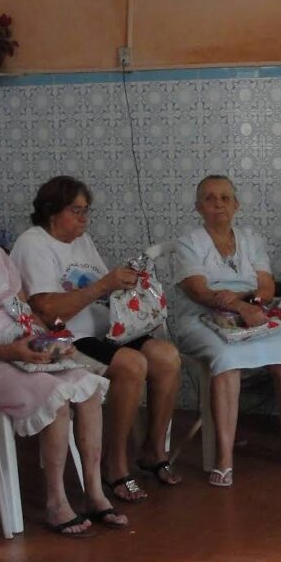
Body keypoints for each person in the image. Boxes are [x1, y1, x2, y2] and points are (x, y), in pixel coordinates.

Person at [0, 180, 125, 535]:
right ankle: (56, 501)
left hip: (23, 348)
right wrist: (10, 352)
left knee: (87, 386)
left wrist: (50, 339)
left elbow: (23, 310)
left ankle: (95, 493)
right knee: (57, 399)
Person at [10, 176, 182, 504]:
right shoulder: (33, 244)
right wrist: (103, 285)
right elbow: (46, 311)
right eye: (76, 211)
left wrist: (129, 282)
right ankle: (114, 465)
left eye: (86, 211)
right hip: (67, 336)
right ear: (51, 211)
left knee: (167, 356)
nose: (83, 219)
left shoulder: (82, 240)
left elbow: (105, 289)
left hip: (105, 328)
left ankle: (153, 450)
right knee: (132, 364)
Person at [171, 174, 281, 487]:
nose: (218, 204)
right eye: (210, 198)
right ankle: (224, 458)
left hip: (252, 312)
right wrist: (238, 306)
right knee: (227, 360)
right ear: (198, 206)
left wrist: (244, 302)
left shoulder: (251, 239)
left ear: (236, 205)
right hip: (199, 317)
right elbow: (198, 292)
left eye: (225, 198)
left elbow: (266, 287)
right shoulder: (188, 242)